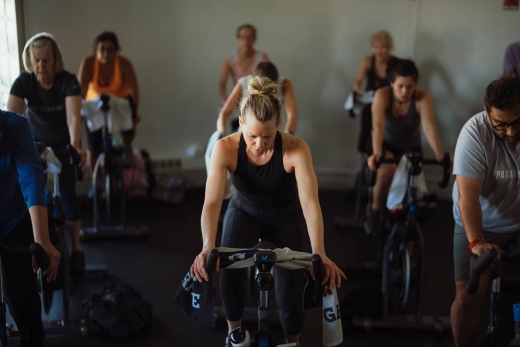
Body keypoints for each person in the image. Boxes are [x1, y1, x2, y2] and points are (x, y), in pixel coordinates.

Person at [191, 76, 346, 346]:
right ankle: (234, 333)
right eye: (252, 136)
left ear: (279, 127)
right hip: (244, 212)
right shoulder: (225, 148)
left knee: (291, 291)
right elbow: (212, 203)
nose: (260, 144)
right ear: (240, 124)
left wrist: (319, 252)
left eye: (268, 136)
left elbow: (310, 203)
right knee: (227, 271)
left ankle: (292, 340)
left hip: (287, 217)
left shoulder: (296, 149)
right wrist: (207, 246)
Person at [7, 32, 87, 276]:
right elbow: (12, 119)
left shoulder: (68, 81)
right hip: (34, 146)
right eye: (37, 61)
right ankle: (38, 241)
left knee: (68, 195)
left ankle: (76, 246)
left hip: (64, 145)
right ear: (30, 62)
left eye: (47, 60)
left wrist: (75, 145)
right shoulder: (24, 82)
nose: (42, 66)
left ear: (56, 60)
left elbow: (74, 117)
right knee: (31, 193)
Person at [450, 77, 520, 347]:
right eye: (501, 125)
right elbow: (468, 199)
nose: (511, 132)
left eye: (516, 122)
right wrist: (477, 242)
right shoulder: (474, 133)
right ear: (486, 111)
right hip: (481, 224)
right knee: (468, 298)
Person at [0, 110, 61, 346]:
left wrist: (42, 240)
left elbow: (30, 177)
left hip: (14, 220)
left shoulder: (16, 126)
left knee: (22, 304)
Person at [365, 58, 447, 235]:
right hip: (386, 145)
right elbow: (377, 126)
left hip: (411, 148)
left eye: (410, 86)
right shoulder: (382, 95)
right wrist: (377, 155)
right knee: (386, 172)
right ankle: (376, 209)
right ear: (391, 83)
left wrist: (440, 156)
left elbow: (428, 126)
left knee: (411, 188)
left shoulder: (421, 97)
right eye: (400, 86)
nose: (405, 91)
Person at [77, 31, 140, 171]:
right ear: (96, 50)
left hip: (117, 107)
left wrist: (134, 112)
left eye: (110, 49)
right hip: (95, 107)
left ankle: (126, 148)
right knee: (92, 147)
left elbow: (133, 91)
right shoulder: (88, 63)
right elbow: (80, 91)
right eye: (102, 49)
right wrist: (78, 114)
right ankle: (93, 182)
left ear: (116, 50)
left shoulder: (124, 64)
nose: (106, 53)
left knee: (129, 124)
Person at [217, 61, 297, 136]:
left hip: (276, 133)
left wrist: (288, 134)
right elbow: (224, 113)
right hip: (248, 134)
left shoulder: (284, 84)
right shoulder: (243, 83)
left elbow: (292, 114)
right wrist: (221, 135)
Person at [352, 29, 397, 160]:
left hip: (388, 107)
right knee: (365, 134)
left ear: (389, 48)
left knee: (387, 135)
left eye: (382, 47)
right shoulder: (367, 61)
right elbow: (357, 81)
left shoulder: (395, 64)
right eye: (376, 47)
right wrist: (359, 93)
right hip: (369, 104)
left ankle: (382, 163)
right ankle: (361, 169)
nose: (379, 51)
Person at [218, 24, 270, 107]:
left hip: (257, 102)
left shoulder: (262, 58)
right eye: (243, 37)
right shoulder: (230, 58)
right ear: (238, 39)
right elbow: (222, 82)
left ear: (254, 39)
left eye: (249, 37)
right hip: (237, 100)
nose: (246, 40)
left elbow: (269, 80)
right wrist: (224, 98)